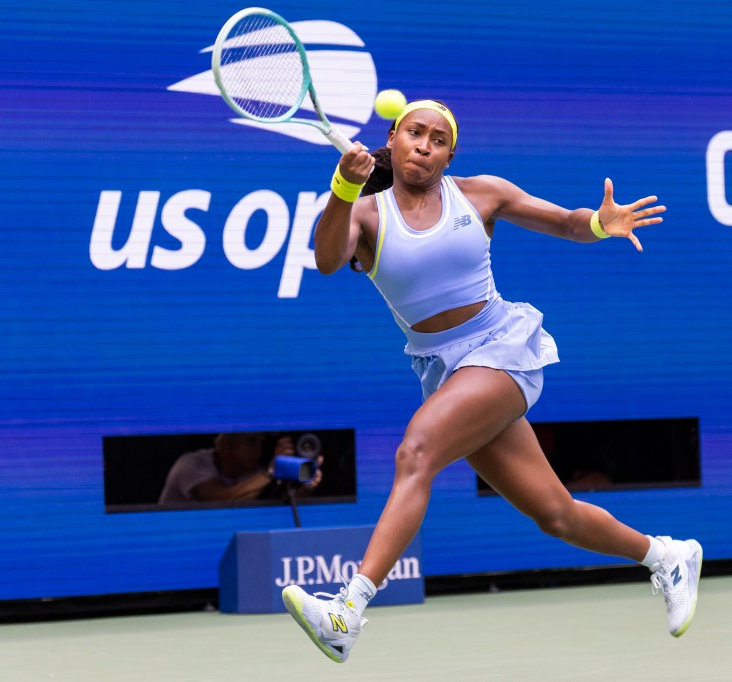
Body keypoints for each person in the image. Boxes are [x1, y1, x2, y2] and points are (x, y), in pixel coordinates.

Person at [281, 100, 702, 663]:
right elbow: (327, 259)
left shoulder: (481, 193)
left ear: (450, 153)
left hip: (501, 349)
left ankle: (348, 610)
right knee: (555, 514)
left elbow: (567, 222)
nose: (424, 145)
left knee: (417, 451)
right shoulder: (366, 211)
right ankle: (666, 556)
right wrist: (342, 188)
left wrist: (603, 223)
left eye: (437, 138)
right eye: (414, 133)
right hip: (443, 369)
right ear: (393, 138)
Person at [159, 432, 322, 504]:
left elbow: (276, 508)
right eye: (251, 441)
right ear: (227, 442)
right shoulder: (192, 463)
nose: (258, 450)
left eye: (261, 443)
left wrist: (305, 488)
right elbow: (221, 501)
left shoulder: (253, 472)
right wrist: (272, 470)